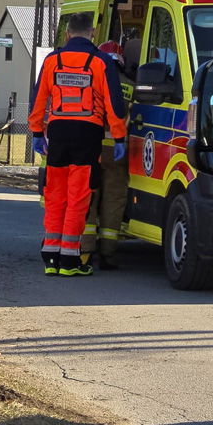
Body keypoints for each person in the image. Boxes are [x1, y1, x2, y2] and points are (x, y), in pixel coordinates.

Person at [29, 12, 127, 277]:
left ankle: (51, 257)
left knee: (55, 194)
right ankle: (70, 260)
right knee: (78, 195)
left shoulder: (53, 60)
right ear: (92, 33)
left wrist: (37, 132)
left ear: (68, 33)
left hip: (58, 132)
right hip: (88, 133)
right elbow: (114, 104)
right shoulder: (101, 61)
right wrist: (119, 137)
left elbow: (38, 99)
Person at [81, 40, 132, 270]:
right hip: (118, 152)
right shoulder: (131, 85)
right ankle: (109, 254)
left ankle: (86, 250)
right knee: (114, 200)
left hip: (91, 147)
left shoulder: (91, 80)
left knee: (89, 198)